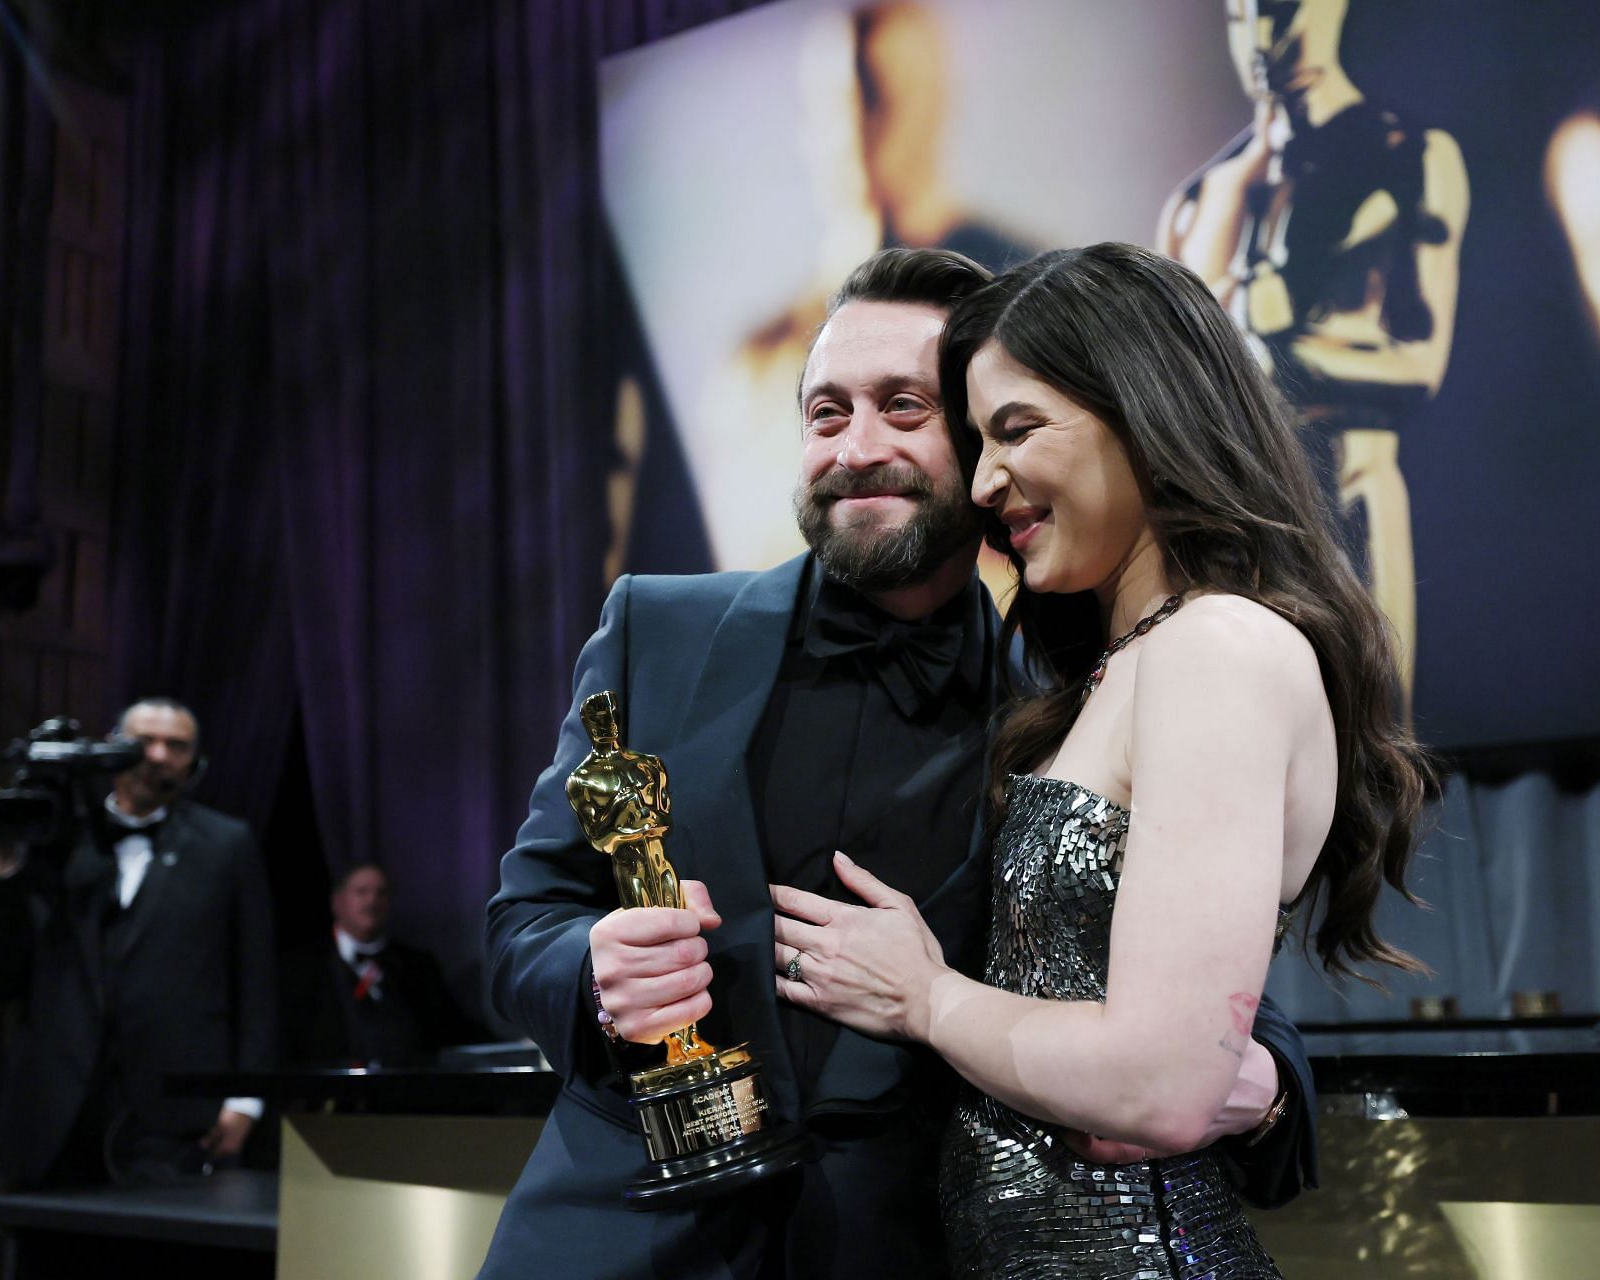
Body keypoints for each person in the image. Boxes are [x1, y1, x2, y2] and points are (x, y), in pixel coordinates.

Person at [479, 248, 1317, 1280]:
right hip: (617, 1239)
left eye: (903, 406)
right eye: (826, 413)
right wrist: (593, 968)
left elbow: (1182, 985)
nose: (855, 447)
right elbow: (522, 924)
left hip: (903, 1247)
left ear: (982, 443)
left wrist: (1267, 1077)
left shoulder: (1075, 698)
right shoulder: (657, 628)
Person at [770, 243, 1434, 1278]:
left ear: (1144, 409)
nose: (986, 481)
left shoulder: (1217, 646)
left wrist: (927, 997)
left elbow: (1163, 1083)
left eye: (1017, 429)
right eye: (979, 439)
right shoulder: (1129, 662)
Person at [1159, 0, 1469, 710]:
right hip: (1223, 539)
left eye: (1280, 9)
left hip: (1350, 505)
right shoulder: (1197, 202)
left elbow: (1418, 361)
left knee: (1372, 764)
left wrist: (1267, 356)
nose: (1264, 37)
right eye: (1242, 17)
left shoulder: (1407, 159)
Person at [0, 698, 275, 1188]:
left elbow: (256, 980)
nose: (156, 755)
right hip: (52, 1109)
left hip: (174, 1119)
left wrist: (246, 1099)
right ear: (108, 749)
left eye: (176, 746)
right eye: (142, 741)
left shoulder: (226, 845)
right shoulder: (54, 837)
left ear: (195, 762)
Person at [278, 862, 486, 1067]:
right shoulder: (302, 968)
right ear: (337, 901)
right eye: (361, 892)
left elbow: (453, 1029)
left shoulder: (418, 966)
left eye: (381, 893)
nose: (372, 901)